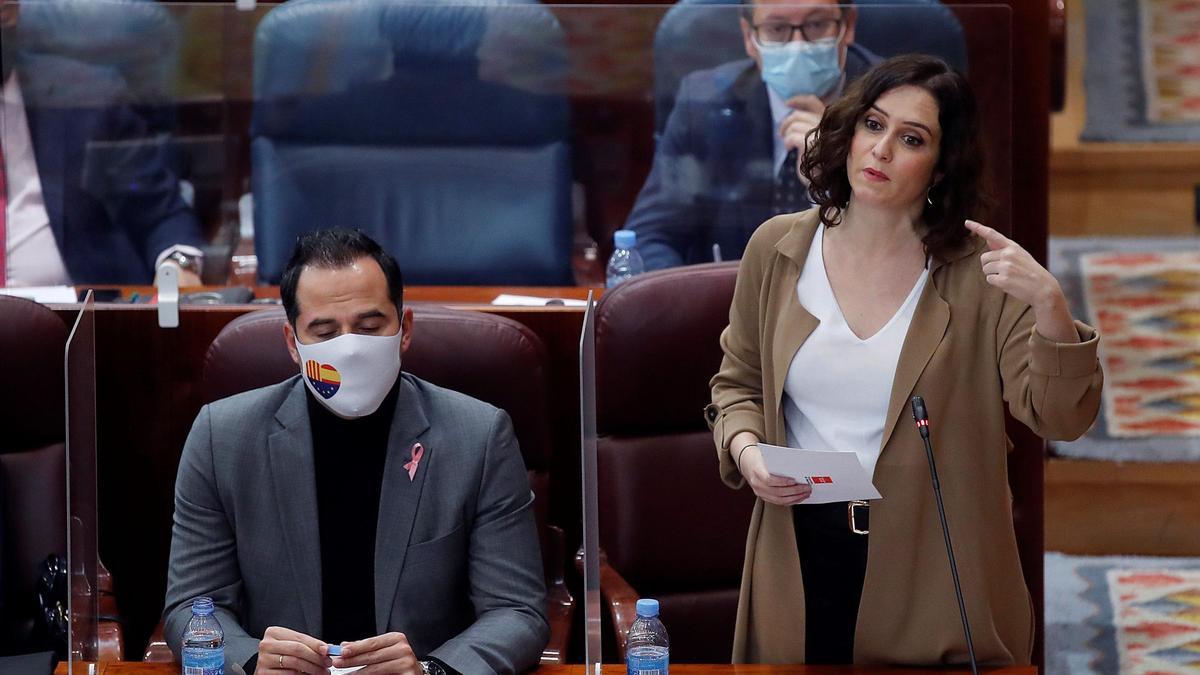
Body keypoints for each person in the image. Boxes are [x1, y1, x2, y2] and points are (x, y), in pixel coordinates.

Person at [707, 55, 1103, 665]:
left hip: (934, 566)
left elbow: (1061, 418)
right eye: (873, 125)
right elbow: (737, 385)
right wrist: (747, 451)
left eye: (911, 138)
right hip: (798, 551)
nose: (882, 150)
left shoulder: (981, 273)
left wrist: (1051, 307)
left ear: (942, 167)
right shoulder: (777, 248)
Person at [163, 230, 548, 674]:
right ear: (293, 343)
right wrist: (250, 662)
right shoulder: (221, 438)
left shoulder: (478, 437)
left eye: (369, 328)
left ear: (405, 330)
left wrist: (432, 671)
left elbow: (517, 612)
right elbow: (191, 606)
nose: (349, 347)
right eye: (324, 331)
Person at [624, 0, 879, 271]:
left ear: (848, 25)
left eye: (816, 24)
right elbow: (650, 238)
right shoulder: (703, 104)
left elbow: (906, 238)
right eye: (777, 28)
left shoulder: (892, 107)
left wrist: (831, 178)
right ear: (750, 37)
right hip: (730, 304)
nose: (797, 44)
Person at [1, 1, 205, 286]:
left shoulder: (88, 99)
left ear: (9, 12)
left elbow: (160, 214)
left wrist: (177, 266)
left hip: (76, 316)